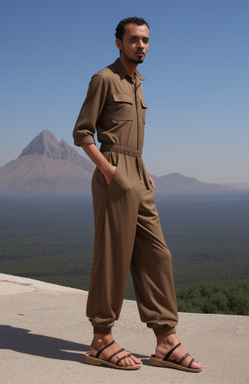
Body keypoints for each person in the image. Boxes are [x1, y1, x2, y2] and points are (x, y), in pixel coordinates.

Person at [73, 17, 203, 372]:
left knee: (158, 256)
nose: (141, 46)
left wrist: (140, 171)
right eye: (133, 40)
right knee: (113, 257)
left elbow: (132, 140)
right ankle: (101, 339)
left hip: (138, 174)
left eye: (145, 40)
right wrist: (110, 170)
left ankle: (166, 340)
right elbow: (83, 133)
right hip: (114, 173)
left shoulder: (137, 83)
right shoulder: (104, 78)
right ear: (118, 42)